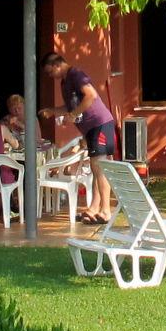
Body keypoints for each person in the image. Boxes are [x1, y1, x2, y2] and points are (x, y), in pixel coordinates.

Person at [43, 50, 116, 220]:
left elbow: (91, 95)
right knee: (95, 166)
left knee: (100, 167)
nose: (50, 76)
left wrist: (74, 114)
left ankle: (105, 210)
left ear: (56, 65)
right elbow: (70, 106)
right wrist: (53, 111)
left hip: (100, 124)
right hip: (90, 129)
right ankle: (94, 208)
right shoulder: (65, 82)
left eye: (49, 72)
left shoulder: (76, 75)